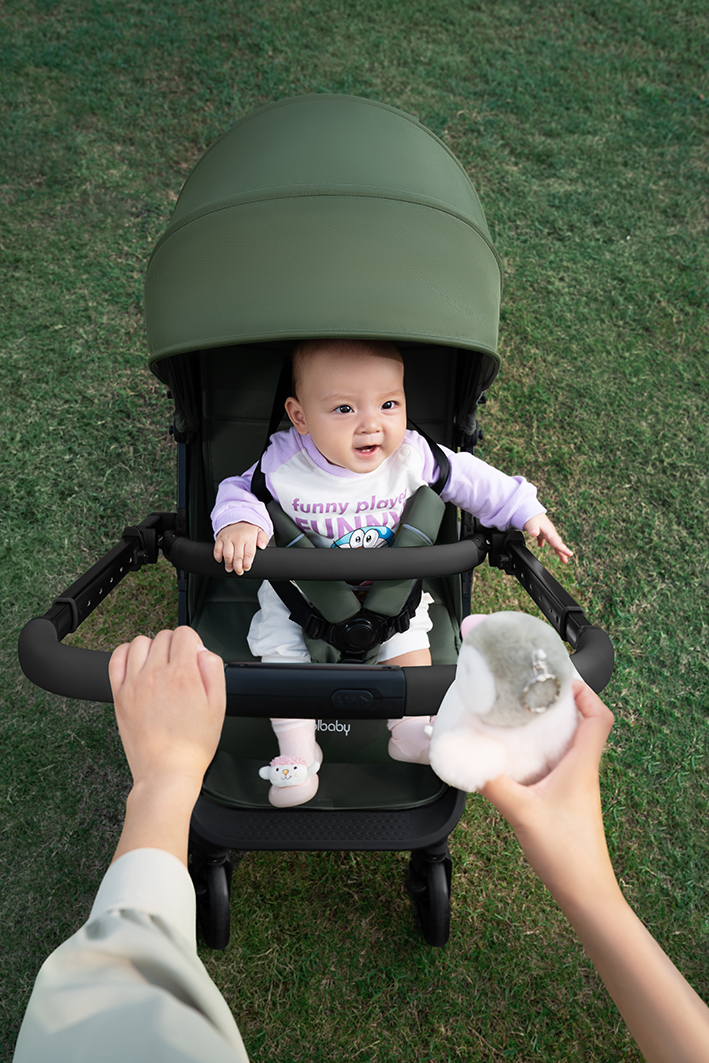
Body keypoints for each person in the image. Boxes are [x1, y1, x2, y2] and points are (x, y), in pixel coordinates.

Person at [13, 628, 709, 1062]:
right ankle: (300, 750)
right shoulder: (280, 474)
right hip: (289, 599)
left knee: (402, 637)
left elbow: (114, 1005)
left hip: (389, 604)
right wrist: (590, 889)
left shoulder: (416, 469)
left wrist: (166, 779)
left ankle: (393, 733)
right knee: (279, 640)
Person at [211, 338, 574, 806]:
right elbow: (241, 490)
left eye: (389, 405)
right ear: (300, 417)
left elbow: (470, 478)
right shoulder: (283, 461)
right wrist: (241, 522)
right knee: (281, 653)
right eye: (344, 409)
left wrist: (524, 509)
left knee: (409, 642)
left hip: (392, 592)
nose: (372, 425)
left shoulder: (412, 455)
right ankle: (297, 751)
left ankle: (410, 732)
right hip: (300, 596)